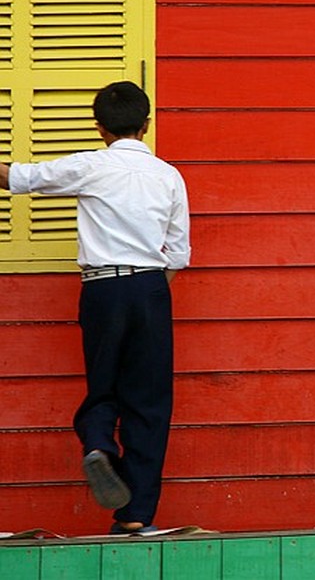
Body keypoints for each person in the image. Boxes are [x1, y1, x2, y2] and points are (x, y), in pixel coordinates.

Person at [0, 81, 191, 535]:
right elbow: (179, 253)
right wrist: (150, 289)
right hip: (150, 288)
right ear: (146, 124)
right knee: (149, 401)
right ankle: (135, 513)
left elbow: (18, 177)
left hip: (102, 287)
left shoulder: (91, 166)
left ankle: (100, 446)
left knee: (103, 385)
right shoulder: (168, 175)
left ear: (100, 127)